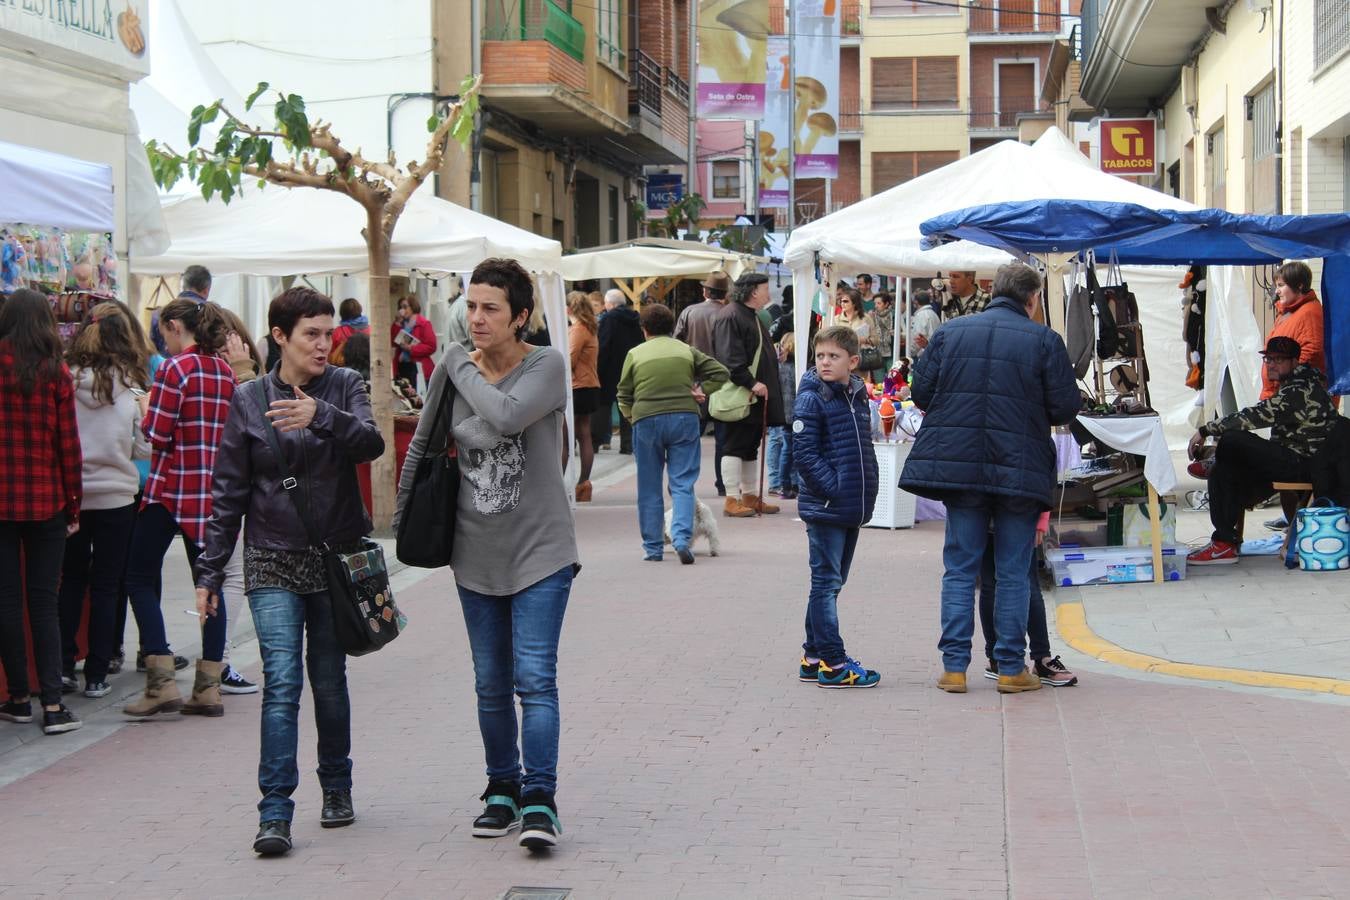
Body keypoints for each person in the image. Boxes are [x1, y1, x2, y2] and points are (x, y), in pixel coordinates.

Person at [395, 257, 578, 851]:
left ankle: (540, 800)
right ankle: (501, 788)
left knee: (535, 679)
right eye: (470, 306)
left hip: (541, 553)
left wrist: (454, 365)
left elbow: (503, 415)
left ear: (520, 316)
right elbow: (422, 449)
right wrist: (401, 530)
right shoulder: (454, 371)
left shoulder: (545, 365)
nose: (475, 318)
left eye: (490, 308)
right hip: (473, 552)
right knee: (490, 682)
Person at [196, 286, 383, 856]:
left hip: (333, 558)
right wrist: (208, 573)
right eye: (311, 334)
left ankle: (337, 787)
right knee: (282, 682)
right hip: (272, 556)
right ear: (279, 336)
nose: (324, 344)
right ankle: (274, 810)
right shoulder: (248, 399)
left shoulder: (344, 387)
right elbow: (228, 490)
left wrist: (321, 415)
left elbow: (371, 445)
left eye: (329, 333)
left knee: (328, 679)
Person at [900, 263, 1080, 694]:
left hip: (961, 469)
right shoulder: (1044, 340)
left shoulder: (951, 332)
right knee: (1015, 571)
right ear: (1032, 298)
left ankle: (954, 668)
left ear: (992, 290)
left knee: (960, 569)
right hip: (1018, 469)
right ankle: (1011, 668)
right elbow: (1064, 407)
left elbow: (921, 392)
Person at [121, 298, 235, 719]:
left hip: (171, 491)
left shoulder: (173, 370)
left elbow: (157, 433)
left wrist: (146, 409)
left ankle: (161, 679)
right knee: (210, 587)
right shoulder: (222, 370)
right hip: (211, 495)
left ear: (173, 326)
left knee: (136, 577)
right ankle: (208, 688)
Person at [0, 289, 84, 735]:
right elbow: (68, 446)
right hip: (47, 499)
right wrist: (73, 503)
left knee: (7, 603)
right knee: (44, 602)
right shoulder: (56, 372)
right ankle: (52, 704)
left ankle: (17, 698)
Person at [58, 304, 150, 701]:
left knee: (71, 582)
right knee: (107, 585)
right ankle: (97, 673)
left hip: (75, 495)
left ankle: (62, 666)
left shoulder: (67, 382)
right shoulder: (131, 388)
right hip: (117, 496)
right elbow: (145, 447)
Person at [1187, 335, 1336, 565]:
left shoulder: (1301, 389)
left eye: (1280, 360)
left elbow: (1256, 416)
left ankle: (1215, 456)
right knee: (1221, 470)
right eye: (1269, 360)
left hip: (1305, 465)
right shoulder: (1294, 384)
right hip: (1290, 460)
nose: (1273, 365)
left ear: (1295, 362)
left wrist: (1205, 430)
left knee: (1232, 439)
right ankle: (1224, 544)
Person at [793, 325, 881, 688]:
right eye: (820, 356)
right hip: (828, 505)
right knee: (826, 583)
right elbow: (805, 454)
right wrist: (834, 489)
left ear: (853, 362)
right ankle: (832, 661)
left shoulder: (855, 397)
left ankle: (813, 656)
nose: (825, 363)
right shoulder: (812, 398)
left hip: (849, 506)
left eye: (834, 356)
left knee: (832, 582)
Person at [616, 302, 728, 563]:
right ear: (672, 327)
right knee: (683, 483)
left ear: (644, 329)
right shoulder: (686, 350)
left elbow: (623, 393)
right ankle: (680, 538)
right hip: (684, 418)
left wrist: (633, 417)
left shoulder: (635, 353)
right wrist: (702, 391)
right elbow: (720, 373)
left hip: (646, 421)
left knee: (649, 487)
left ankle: (653, 548)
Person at [713, 272, 785, 517]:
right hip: (742, 394)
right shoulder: (731, 315)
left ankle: (750, 495)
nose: (769, 293)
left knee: (749, 447)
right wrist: (751, 382)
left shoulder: (746, 314)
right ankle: (732, 498)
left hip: (752, 395)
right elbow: (729, 358)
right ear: (754, 291)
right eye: (766, 288)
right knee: (734, 446)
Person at [976, 512, 1078, 686]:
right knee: (991, 585)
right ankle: (997, 659)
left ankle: (1041, 658)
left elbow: (1044, 483)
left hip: (1019, 510)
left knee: (1029, 584)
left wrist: (1041, 519)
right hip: (985, 509)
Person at [675, 271, 733, 495]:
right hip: (722, 382)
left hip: (693, 381)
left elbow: (677, 343)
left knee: (689, 437)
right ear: (725, 294)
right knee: (723, 437)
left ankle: (683, 483)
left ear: (705, 291)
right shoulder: (729, 314)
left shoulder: (690, 312)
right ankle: (722, 484)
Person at [1260, 261, 1325, 400]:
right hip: (1279, 394)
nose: (1276, 291)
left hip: (1297, 400)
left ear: (1299, 285)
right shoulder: (1287, 313)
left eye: (1281, 285)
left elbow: (1312, 353)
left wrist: (1283, 382)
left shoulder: (1310, 312)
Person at [595, 289, 644, 454]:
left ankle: (595, 441)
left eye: (606, 303)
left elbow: (604, 345)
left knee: (603, 407)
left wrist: (598, 368)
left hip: (610, 370)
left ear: (612, 304)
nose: (605, 307)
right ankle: (627, 445)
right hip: (631, 368)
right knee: (627, 406)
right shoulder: (636, 318)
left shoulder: (608, 319)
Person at [567, 290, 601, 502]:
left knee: (565, 437)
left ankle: (568, 486)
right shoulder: (590, 328)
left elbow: (569, 360)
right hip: (589, 385)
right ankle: (583, 484)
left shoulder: (578, 330)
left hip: (577, 386)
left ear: (569, 309)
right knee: (584, 434)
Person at [151, 264, 210, 356]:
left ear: (184, 286)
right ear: (206, 290)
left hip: (167, 366)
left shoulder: (159, 314)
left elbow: (152, 350)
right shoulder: (212, 313)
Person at [767, 332, 798, 499]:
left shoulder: (778, 365)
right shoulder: (793, 366)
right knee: (788, 447)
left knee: (785, 446)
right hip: (791, 412)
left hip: (782, 411)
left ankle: (783, 482)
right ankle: (786, 482)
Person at [390, 294, 436, 388]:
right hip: (402, 366)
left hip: (418, 367)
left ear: (413, 307)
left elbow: (431, 346)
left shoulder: (424, 324)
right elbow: (393, 342)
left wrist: (411, 348)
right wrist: (397, 323)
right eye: (400, 307)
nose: (402, 310)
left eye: (405, 307)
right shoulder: (401, 324)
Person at [836, 289, 874, 374]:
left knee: (860, 385)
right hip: (841, 362)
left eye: (845, 301)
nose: (842, 304)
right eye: (841, 301)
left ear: (854, 303)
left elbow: (876, 339)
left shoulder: (865, 318)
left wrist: (864, 340)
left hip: (861, 361)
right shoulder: (836, 319)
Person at [329, 298, 369, 363]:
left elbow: (330, 355)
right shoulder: (372, 330)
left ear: (342, 313)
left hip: (344, 370)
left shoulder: (337, 332)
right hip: (367, 369)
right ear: (359, 310)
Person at [866, 292, 895, 377]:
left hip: (891, 350)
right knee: (879, 380)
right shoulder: (872, 316)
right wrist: (869, 319)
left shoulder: (894, 315)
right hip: (877, 352)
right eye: (875, 303)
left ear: (886, 304)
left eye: (879, 303)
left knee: (893, 378)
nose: (876, 306)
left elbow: (903, 331)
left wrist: (896, 333)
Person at [908, 289, 941, 355]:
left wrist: (910, 352)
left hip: (923, 354)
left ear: (916, 302)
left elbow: (918, 337)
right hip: (934, 351)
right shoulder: (933, 314)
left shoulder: (921, 315)